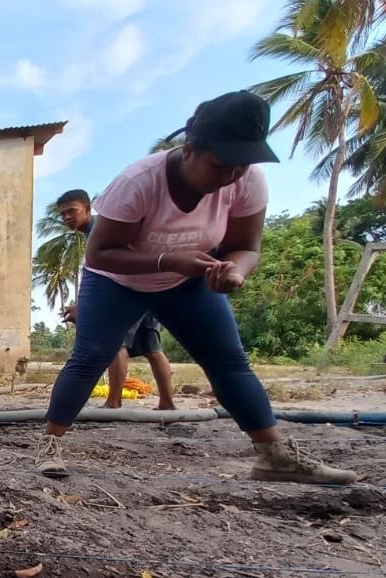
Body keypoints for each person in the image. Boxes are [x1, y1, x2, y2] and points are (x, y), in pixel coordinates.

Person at [36, 91, 356, 486]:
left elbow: (246, 246)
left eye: (241, 166)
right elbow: (101, 255)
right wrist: (169, 259)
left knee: (228, 361)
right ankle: (50, 444)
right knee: (90, 357)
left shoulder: (247, 182)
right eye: (221, 165)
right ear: (189, 150)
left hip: (188, 281)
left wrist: (234, 271)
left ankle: (274, 455)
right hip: (115, 281)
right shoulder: (138, 182)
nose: (231, 176)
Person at [57, 189, 176, 410]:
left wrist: (82, 307)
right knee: (152, 347)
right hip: (150, 289)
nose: (67, 218)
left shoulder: (101, 231)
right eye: (62, 214)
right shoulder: (96, 231)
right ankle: (167, 403)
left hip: (130, 292)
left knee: (116, 344)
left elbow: (107, 271)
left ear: (87, 208)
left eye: (71, 211)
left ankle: (114, 401)